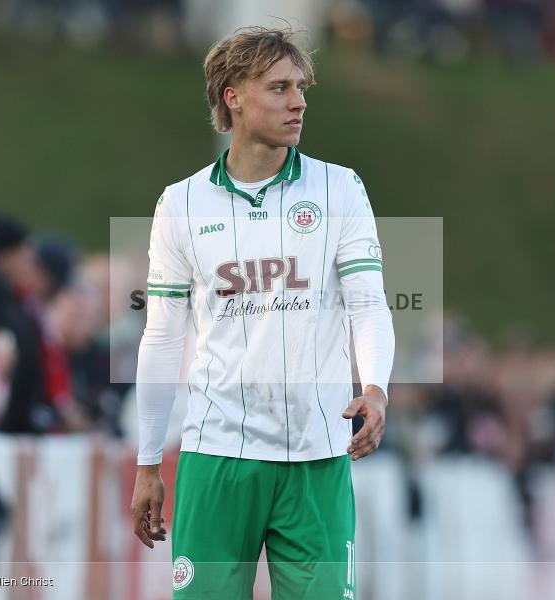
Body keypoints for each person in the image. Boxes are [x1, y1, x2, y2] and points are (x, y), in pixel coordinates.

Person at [129, 27, 395, 598]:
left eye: (300, 87)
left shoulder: (340, 189)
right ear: (233, 96)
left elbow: (368, 302)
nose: (298, 101)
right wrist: (148, 463)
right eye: (278, 87)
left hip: (317, 457)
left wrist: (375, 388)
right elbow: (161, 337)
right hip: (216, 456)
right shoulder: (180, 203)